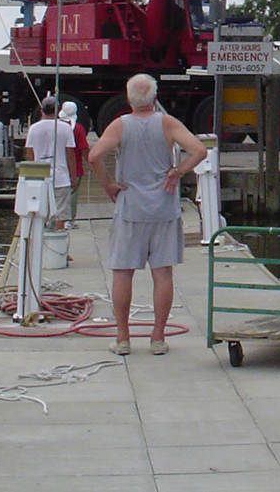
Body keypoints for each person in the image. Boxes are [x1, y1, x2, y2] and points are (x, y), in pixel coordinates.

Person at [88, 73, 207, 356]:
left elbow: (94, 157)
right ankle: (157, 338)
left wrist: (108, 184)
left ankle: (122, 338)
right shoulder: (167, 123)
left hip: (130, 206)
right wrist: (177, 171)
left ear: (128, 98)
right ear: (154, 98)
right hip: (163, 207)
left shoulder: (119, 126)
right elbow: (199, 150)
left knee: (123, 273)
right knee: (162, 273)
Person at [24, 96, 77, 230]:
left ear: (42, 110)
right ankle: (58, 243)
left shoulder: (33, 129)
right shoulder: (66, 128)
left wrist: (31, 177)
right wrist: (73, 176)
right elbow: (70, 154)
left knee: (40, 213)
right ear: (58, 110)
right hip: (61, 177)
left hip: (40, 177)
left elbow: (29, 154)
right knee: (61, 215)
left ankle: (42, 240)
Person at [59, 101, 90, 226]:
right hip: (75, 167)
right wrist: (91, 162)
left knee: (57, 195)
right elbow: (84, 148)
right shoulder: (78, 129)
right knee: (72, 195)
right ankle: (68, 220)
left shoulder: (56, 127)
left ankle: (54, 220)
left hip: (58, 166)